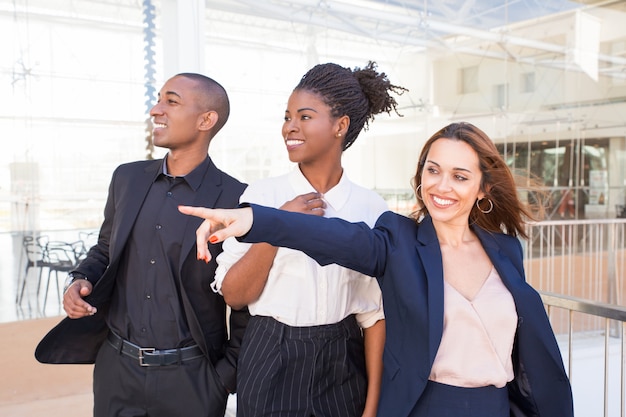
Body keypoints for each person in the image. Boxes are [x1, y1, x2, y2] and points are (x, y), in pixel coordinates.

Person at [179, 122, 575, 417]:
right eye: (433, 170)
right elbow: (335, 237)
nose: (441, 186)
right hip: (425, 407)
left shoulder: (505, 250)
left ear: (483, 189)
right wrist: (254, 221)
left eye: (460, 176)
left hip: (493, 406)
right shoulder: (398, 240)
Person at [35, 73, 249, 417]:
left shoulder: (236, 198)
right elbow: (105, 249)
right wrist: (80, 279)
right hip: (116, 373)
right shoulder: (127, 178)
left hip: (194, 381)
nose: (155, 110)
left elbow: (244, 298)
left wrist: (225, 377)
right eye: (159, 99)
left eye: (171, 101)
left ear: (206, 120)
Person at [211, 61, 407, 417]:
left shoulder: (370, 207)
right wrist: (278, 225)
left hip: (343, 360)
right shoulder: (263, 196)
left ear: (340, 125)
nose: (290, 127)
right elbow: (235, 295)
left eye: (304, 116)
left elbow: (375, 316)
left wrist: (372, 407)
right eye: (287, 117)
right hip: (270, 354)